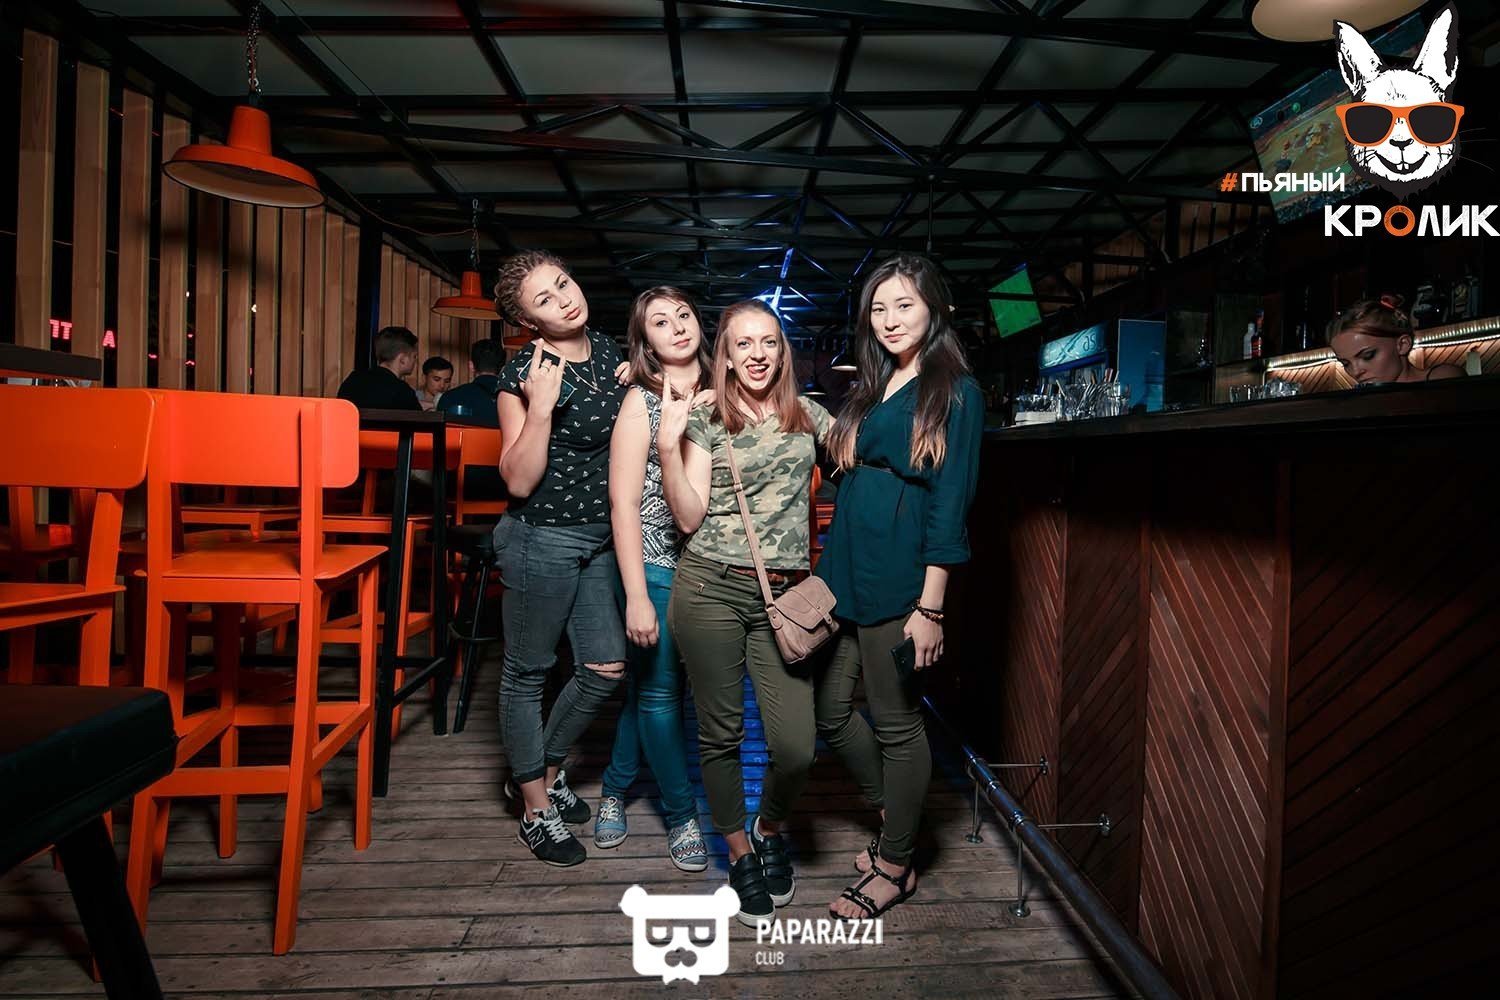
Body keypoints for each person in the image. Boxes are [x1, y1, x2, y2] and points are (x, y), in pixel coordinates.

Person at [814, 253, 984, 921]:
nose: (888, 319)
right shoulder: (875, 383)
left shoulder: (955, 392)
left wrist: (930, 608)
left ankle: (894, 865)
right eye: (878, 308)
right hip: (845, 570)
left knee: (896, 723)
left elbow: (950, 504)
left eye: (903, 305)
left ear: (934, 308)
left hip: (899, 575)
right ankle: (899, 822)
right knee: (830, 709)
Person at [659, 298, 833, 927]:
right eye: (744, 344)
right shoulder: (708, 417)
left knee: (796, 746)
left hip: (785, 598)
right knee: (721, 734)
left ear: (782, 351)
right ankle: (739, 854)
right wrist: (667, 444)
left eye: (769, 342)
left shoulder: (809, 414)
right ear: (726, 356)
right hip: (710, 587)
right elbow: (687, 518)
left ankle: (769, 828)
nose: (758, 355)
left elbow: (869, 455)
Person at [492, 249, 628, 867]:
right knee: (528, 673)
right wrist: (541, 407)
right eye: (544, 300)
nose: (564, 300)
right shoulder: (521, 374)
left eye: (564, 283)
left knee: (604, 667)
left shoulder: (607, 349)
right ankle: (534, 809)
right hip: (539, 537)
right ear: (530, 321)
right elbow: (518, 479)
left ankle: (540, 774)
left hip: (599, 538)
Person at [595, 287, 714, 872]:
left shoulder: (728, 392)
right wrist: (637, 595)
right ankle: (682, 814)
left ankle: (614, 789)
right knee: (662, 694)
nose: (678, 327)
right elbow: (622, 504)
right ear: (645, 342)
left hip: (712, 567)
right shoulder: (641, 401)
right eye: (660, 322)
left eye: (683, 315)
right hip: (656, 561)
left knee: (652, 690)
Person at [1329, 294, 1465, 386]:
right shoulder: (1367, 400)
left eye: (1368, 356)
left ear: (1403, 344)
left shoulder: (1441, 377)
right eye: (1346, 364)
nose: (1356, 372)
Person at [438, 339, 506, 499]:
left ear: (471, 366)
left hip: (459, 486)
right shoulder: (516, 401)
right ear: (503, 369)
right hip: (505, 483)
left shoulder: (450, 397)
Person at [336, 327, 421, 410]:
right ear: (402, 359)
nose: (416, 360)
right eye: (414, 356)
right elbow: (418, 418)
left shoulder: (353, 379)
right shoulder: (402, 391)